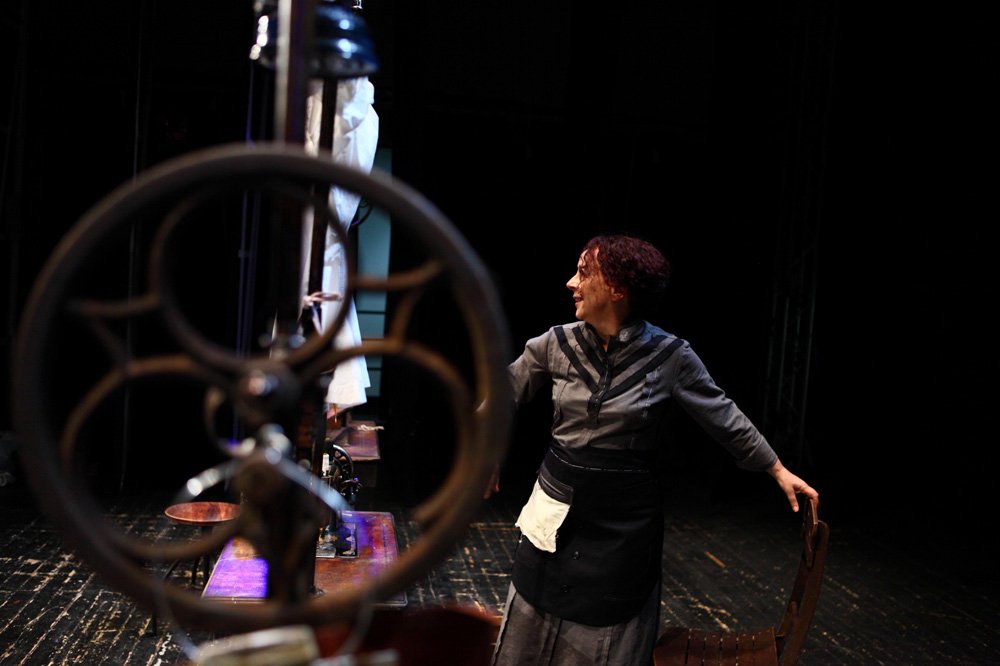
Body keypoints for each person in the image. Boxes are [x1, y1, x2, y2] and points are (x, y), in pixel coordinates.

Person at [488, 234, 818, 666]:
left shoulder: (668, 356)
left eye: (584, 273)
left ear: (617, 288)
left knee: (609, 626)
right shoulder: (556, 343)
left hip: (620, 523)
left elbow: (722, 415)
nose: (571, 282)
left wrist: (775, 468)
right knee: (532, 621)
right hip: (555, 510)